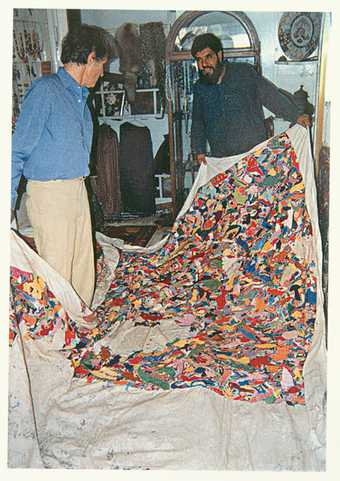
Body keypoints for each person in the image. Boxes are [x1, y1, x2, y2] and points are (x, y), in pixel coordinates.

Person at [11, 24, 116, 307]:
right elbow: (16, 150)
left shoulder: (81, 97)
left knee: (83, 264)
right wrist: (7, 202)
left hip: (77, 188)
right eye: (102, 64)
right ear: (90, 57)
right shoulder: (46, 91)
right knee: (58, 268)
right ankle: (58, 330)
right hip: (50, 193)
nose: (102, 73)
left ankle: (80, 317)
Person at [190, 33, 310, 164]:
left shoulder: (244, 73)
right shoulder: (200, 88)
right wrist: (199, 150)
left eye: (208, 57)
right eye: (199, 60)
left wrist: (295, 116)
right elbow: (198, 121)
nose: (203, 64)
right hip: (223, 160)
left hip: (253, 156)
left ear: (219, 55)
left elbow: (271, 96)